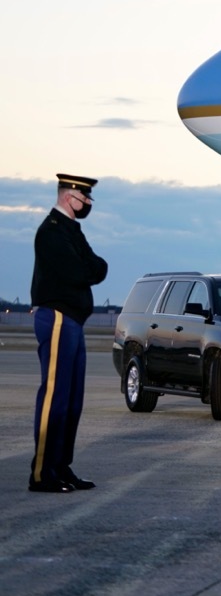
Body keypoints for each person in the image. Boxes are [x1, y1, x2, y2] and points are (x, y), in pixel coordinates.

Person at [29, 173, 108, 493]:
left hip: (74, 321)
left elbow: (99, 268)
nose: (88, 203)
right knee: (55, 398)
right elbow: (79, 272)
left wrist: (88, 269)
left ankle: (61, 466)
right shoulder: (51, 232)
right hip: (58, 318)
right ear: (68, 197)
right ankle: (42, 471)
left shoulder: (71, 231)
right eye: (84, 198)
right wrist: (87, 269)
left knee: (73, 399)